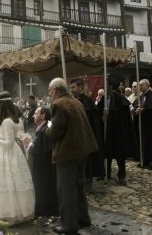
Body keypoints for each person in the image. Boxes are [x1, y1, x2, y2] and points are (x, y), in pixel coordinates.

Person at [45, 78, 98, 234]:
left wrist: (48, 127)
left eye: (49, 91)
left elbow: (56, 131)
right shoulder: (76, 101)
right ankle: (83, 219)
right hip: (82, 150)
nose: (49, 94)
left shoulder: (59, 104)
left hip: (67, 152)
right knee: (79, 185)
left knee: (66, 189)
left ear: (55, 90)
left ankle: (69, 224)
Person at [0, 91, 35, 225]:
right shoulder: (13, 118)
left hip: (6, 153)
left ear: (1, 104)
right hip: (14, 154)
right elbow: (4, 130)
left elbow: (8, 143)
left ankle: (8, 213)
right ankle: (17, 211)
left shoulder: (6, 121)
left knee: (6, 182)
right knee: (15, 184)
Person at [97, 77, 137, 185]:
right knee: (107, 152)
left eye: (106, 84)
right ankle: (107, 173)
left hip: (117, 131)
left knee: (119, 154)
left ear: (110, 86)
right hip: (107, 130)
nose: (104, 86)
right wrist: (102, 117)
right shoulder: (104, 98)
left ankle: (121, 175)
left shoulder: (119, 98)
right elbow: (98, 113)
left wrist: (109, 115)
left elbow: (123, 117)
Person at [23, 105, 58, 217]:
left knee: (43, 187)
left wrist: (29, 144)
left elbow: (41, 150)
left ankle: (44, 210)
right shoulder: (43, 127)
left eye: (36, 113)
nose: (33, 115)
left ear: (43, 115)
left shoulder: (45, 129)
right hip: (43, 164)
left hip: (44, 166)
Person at [70, 78, 104, 187]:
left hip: (85, 136)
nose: (71, 90)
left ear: (81, 87)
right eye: (70, 88)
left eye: (74, 87)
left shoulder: (87, 102)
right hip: (74, 136)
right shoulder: (71, 100)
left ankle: (88, 181)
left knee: (87, 160)